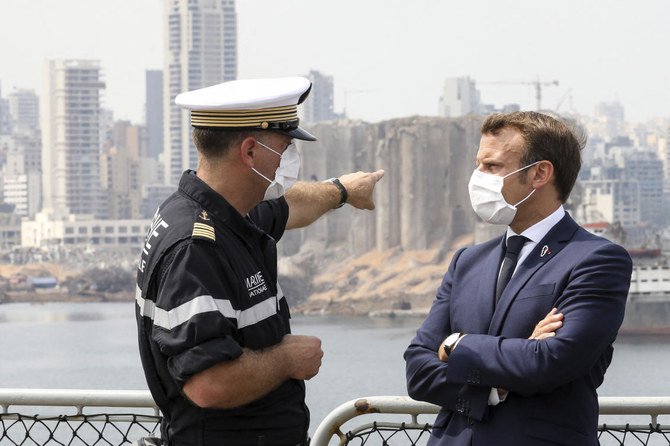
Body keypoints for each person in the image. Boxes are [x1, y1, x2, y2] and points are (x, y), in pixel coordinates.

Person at [135, 77, 384, 446]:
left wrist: (342, 191)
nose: (290, 161)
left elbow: (291, 206)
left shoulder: (226, 213)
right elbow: (208, 383)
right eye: (285, 147)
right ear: (250, 152)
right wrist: (286, 359)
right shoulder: (196, 246)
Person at [404, 111, 632, 446]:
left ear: (540, 173)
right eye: (479, 164)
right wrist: (495, 387)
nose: (478, 176)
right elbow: (418, 370)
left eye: (492, 166)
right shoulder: (468, 261)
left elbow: (551, 361)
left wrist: (456, 345)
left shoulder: (596, 259)